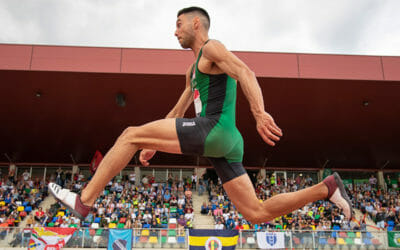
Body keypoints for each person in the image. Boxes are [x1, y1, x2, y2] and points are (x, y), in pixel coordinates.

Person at [48, 6, 352, 223]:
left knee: (129, 134)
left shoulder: (211, 48)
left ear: (197, 24)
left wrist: (259, 112)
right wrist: (152, 142)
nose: (175, 30)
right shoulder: (192, 70)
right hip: (226, 141)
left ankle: (84, 200)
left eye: (179, 23)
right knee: (257, 213)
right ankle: (326, 188)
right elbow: (179, 110)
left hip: (214, 129)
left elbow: (245, 71)